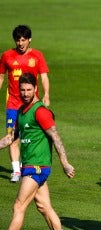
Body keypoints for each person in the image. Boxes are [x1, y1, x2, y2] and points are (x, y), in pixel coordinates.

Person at [0, 73, 74, 230]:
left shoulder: (41, 111)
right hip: (30, 167)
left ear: (35, 89)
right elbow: (12, 138)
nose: (25, 93)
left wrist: (65, 163)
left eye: (29, 90)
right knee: (44, 207)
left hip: (37, 167)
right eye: (22, 90)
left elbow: (56, 137)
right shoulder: (21, 111)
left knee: (19, 205)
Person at [0, 24, 50, 182]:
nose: (20, 43)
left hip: (32, 107)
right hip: (13, 105)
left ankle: (29, 165)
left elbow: (44, 77)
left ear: (29, 40)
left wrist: (47, 94)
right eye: (17, 40)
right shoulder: (7, 56)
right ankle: (16, 170)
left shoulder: (37, 56)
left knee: (29, 137)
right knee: (12, 137)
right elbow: (1, 77)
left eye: (23, 40)